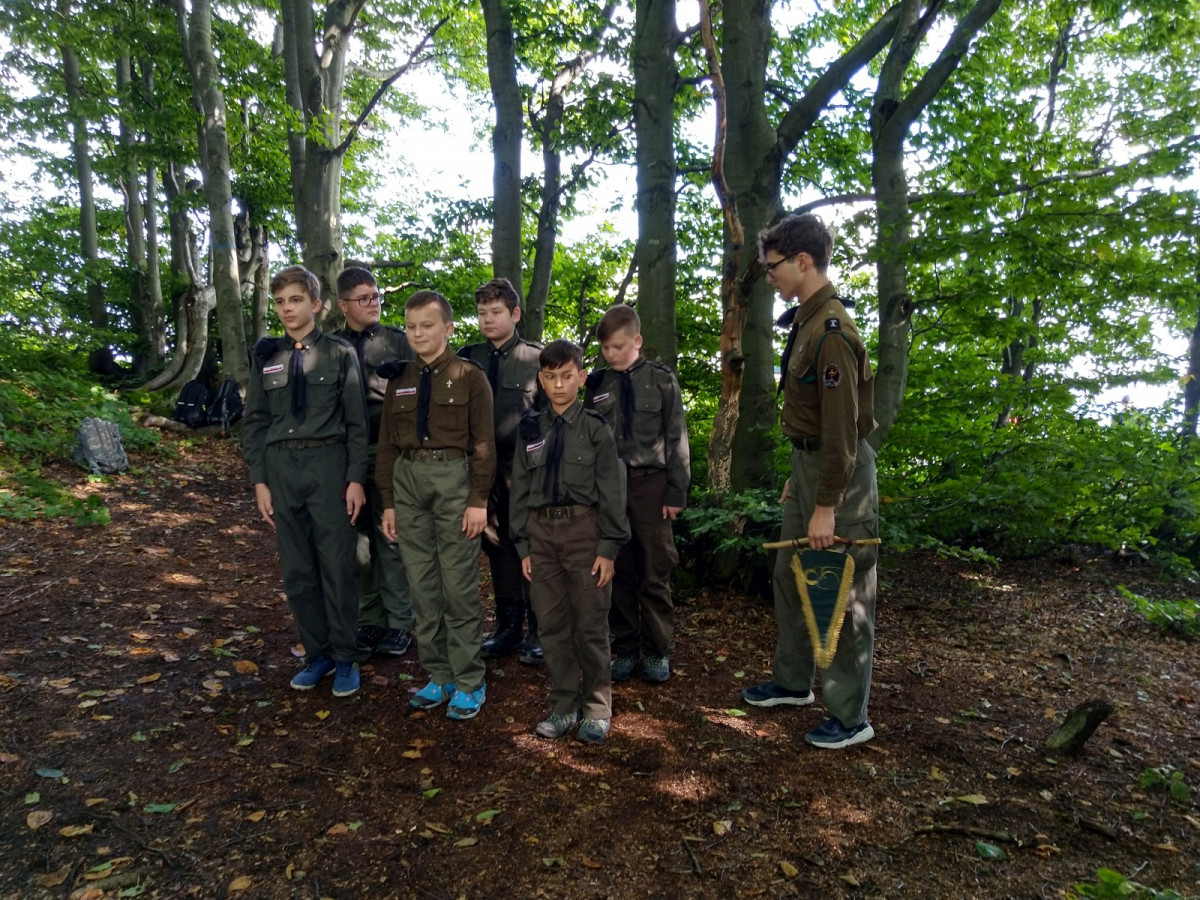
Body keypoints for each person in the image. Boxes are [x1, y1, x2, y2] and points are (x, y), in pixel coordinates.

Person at [741, 213, 880, 750]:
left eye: (773, 266)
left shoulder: (832, 331)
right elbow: (809, 417)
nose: (769, 275)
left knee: (839, 589)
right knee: (790, 575)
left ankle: (849, 717)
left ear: (802, 261)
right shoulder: (805, 319)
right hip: (809, 468)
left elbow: (842, 432)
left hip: (838, 476)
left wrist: (826, 504)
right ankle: (792, 682)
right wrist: (797, 479)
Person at [243, 265, 370, 698]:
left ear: (316, 304)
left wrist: (356, 479)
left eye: (295, 300)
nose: (287, 309)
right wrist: (260, 481)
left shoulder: (338, 353)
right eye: (279, 302)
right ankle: (318, 654)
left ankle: (346, 656)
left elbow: (357, 423)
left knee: (336, 564)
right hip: (282, 468)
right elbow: (256, 422)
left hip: (328, 464)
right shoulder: (267, 356)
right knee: (298, 570)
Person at [377, 291, 496, 721]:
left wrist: (478, 501)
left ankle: (468, 680)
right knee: (422, 586)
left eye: (427, 326)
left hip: (453, 480)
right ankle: (439, 674)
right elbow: (387, 445)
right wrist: (389, 502)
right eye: (411, 327)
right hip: (408, 481)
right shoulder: (399, 379)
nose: (418, 334)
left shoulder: (469, 376)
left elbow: (484, 443)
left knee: (457, 587)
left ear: (448, 328)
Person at [511, 340, 629, 744]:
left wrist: (608, 548)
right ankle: (564, 704)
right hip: (541, 535)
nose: (558, 384)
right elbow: (519, 490)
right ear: (541, 380)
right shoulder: (530, 429)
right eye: (550, 377)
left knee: (591, 622)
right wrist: (523, 545)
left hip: (584, 533)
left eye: (566, 376)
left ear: (581, 377)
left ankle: (597, 708)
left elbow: (612, 491)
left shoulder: (596, 429)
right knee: (551, 624)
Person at [584, 305, 690, 684]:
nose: (610, 354)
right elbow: (588, 440)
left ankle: (657, 649)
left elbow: (677, 437)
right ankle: (626, 647)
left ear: (637, 341)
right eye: (605, 348)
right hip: (609, 489)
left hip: (651, 487)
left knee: (654, 571)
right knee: (617, 569)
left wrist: (676, 492)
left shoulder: (661, 381)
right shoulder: (597, 385)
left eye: (617, 346)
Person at [456, 278, 544, 664]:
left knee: (531, 543)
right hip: (480, 470)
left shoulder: (536, 358)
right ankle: (508, 627)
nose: (488, 319)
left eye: (495, 312)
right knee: (496, 545)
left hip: (524, 469)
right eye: (482, 313)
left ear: (515, 313)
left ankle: (540, 629)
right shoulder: (466, 358)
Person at [335, 266, 416, 658]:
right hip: (346, 454)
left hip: (389, 451)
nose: (373, 303)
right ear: (343, 305)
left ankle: (399, 622)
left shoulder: (398, 342)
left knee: (391, 533)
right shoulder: (332, 347)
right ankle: (370, 619)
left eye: (376, 296)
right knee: (359, 539)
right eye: (363, 298)